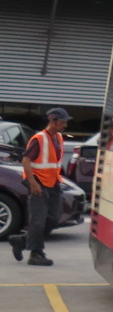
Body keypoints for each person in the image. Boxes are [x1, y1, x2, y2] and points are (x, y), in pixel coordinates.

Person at [10, 107, 70, 266]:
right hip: (39, 183)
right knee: (38, 221)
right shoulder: (39, 139)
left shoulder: (58, 137)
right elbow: (26, 160)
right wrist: (32, 183)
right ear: (53, 121)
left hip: (53, 183)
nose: (65, 125)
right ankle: (36, 254)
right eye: (63, 122)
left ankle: (22, 240)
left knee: (53, 219)